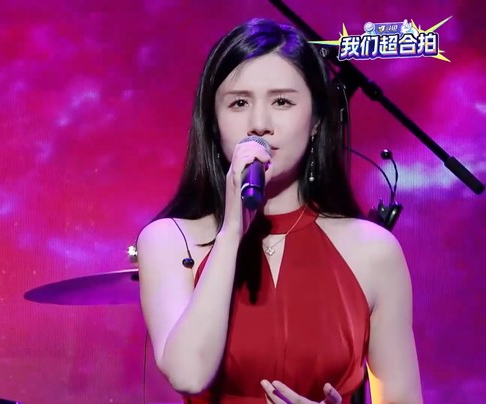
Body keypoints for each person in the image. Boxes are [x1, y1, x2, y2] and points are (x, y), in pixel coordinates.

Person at [137, 18, 422, 404]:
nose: (259, 124)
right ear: (213, 122)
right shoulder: (170, 240)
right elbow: (188, 374)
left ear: (316, 120)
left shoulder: (374, 250)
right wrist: (231, 233)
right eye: (239, 103)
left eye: (282, 102)